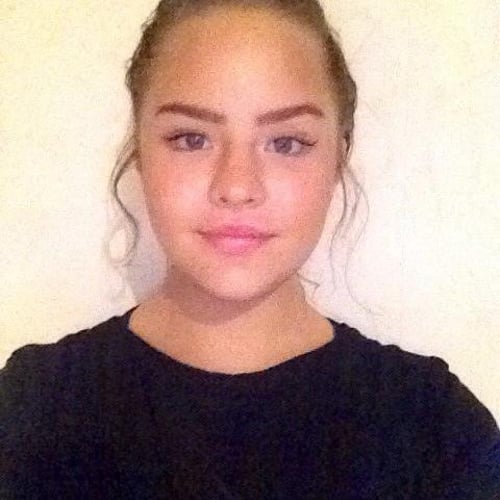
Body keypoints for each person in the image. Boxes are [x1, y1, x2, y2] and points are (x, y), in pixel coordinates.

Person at [1, 0, 499, 498]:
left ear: (338, 156)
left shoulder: (438, 434)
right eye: (191, 138)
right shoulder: (31, 412)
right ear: (140, 151)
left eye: (286, 143)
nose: (237, 187)